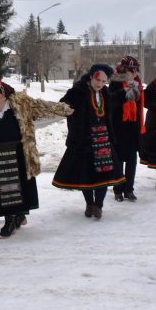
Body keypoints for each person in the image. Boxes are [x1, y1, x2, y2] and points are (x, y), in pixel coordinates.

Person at [0, 76, 73, 238]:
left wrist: (63, 109)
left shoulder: (21, 104)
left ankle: (19, 214)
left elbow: (43, 106)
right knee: (4, 190)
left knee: (22, 186)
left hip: (20, 154)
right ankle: (10, 220)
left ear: (3, 96)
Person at [53, 64, 125, 219]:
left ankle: (98, 205)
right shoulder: (78, 91)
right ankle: (89, 204)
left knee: (104, 177)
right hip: (84, 141)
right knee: (87, 176)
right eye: (98, 80)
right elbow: (64, 104)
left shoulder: (105, 93)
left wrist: (127, 93)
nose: (100, 84)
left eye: (104, 81)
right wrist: (66, 108)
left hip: (104, 140)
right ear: (92, 76)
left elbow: (114, 102)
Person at [109, 55, 145, 202]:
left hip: (132, 127)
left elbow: (139, 104)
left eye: (136, 71)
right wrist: (126, 93)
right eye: (132, 71)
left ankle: (129, 189)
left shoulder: (137, 84)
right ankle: (118, 190)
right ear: (124, 71)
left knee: (131, 160)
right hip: (118, 127)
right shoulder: (115, 84)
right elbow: (112, 104)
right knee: (118, 162)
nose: (135, 74)